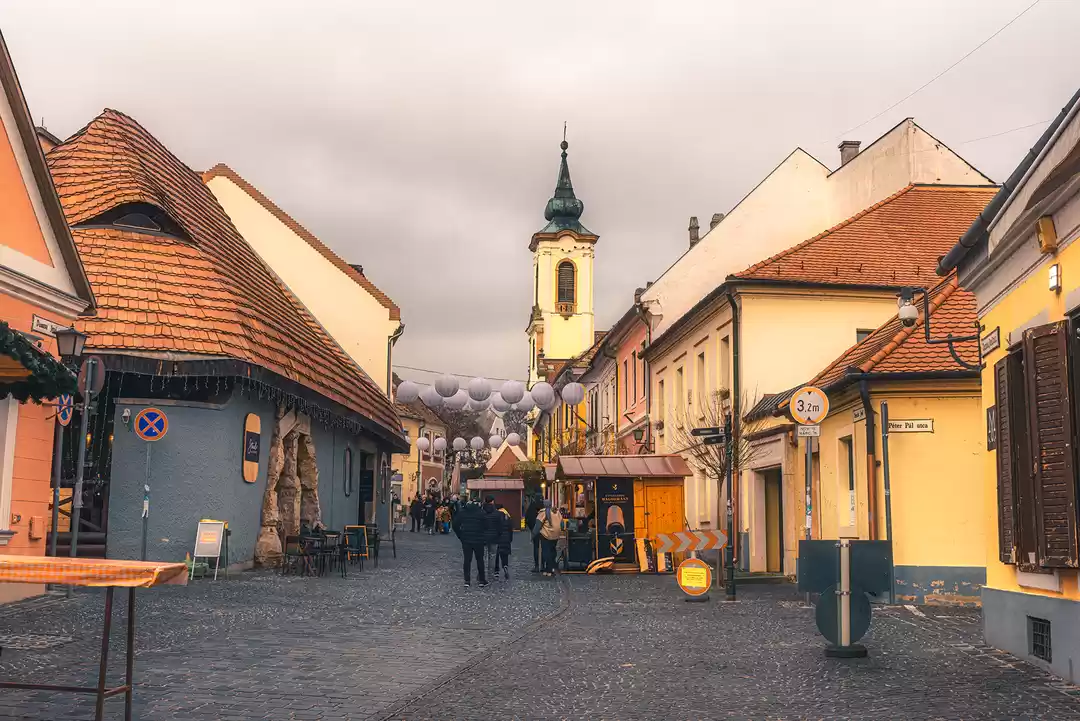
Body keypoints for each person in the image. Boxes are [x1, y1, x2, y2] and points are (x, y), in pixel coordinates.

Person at [452, 498, 487, 587]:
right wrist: (483, 535)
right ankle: (482, 580)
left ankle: (467, 581)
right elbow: (487, 526)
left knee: (467, 560)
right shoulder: (481, 513)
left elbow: (455, 525)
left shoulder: (463, 512)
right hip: (479, 540)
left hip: (466, 540)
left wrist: (461, 535)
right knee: (480, 560)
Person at [536, 499, 563, 577]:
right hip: (556, 535)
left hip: (546, 534)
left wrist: (534, 534)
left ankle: (548, 569)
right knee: (552, 551)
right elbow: (562, 523)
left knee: (546, 552)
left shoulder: (543, 512)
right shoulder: (557, 512)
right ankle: (551, 568)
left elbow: (538, 524)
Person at [482, 495, 501, 581]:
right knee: (492, 556)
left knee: (483, 556)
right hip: (494, 538)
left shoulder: (481, 512)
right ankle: (491, 574)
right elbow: (500, 527)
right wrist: (498, 535)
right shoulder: (497, 513)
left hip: (483, 538)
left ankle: (482, 574)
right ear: (492, 501)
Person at [524, 493, 543, 573]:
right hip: (544, 531)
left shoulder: (532, 507)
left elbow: (527, 518)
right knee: (545, 548)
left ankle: (537, 566)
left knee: (536, 548)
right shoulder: (544, 507)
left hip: (535, 530)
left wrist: (532, 529)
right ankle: (544, 565)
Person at [495, 502, 513, 580]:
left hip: (497, 538)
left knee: (496, 555)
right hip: (506, 539)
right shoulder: (507, 516)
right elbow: (511, 530)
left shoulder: (496, 516)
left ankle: (496, 571)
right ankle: (505, 566)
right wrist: (510, 539)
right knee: (504, 554)